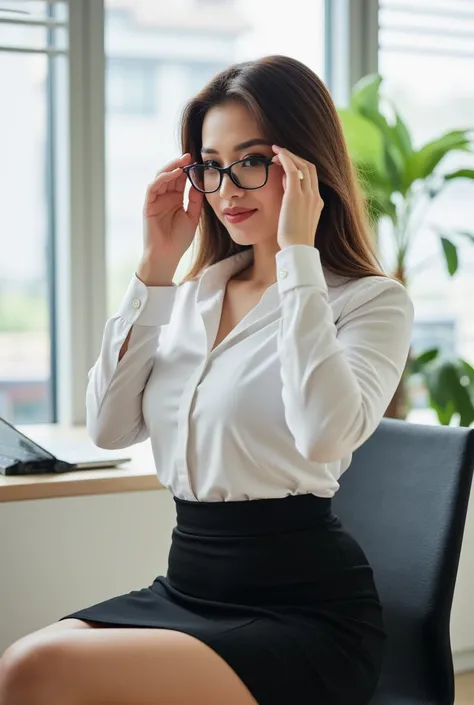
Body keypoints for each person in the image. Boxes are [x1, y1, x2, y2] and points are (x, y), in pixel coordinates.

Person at [0, 55, 413, 705]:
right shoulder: (193, 294)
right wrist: (156, 268)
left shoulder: (368, 301)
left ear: (306, 166)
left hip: (306, 614)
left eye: (251, 160)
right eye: (211, 165)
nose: (226, 188)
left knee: (33, 669)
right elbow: (109, 427)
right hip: (188, 589)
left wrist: (298, 256)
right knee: (23, 667)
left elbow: (326, 433)